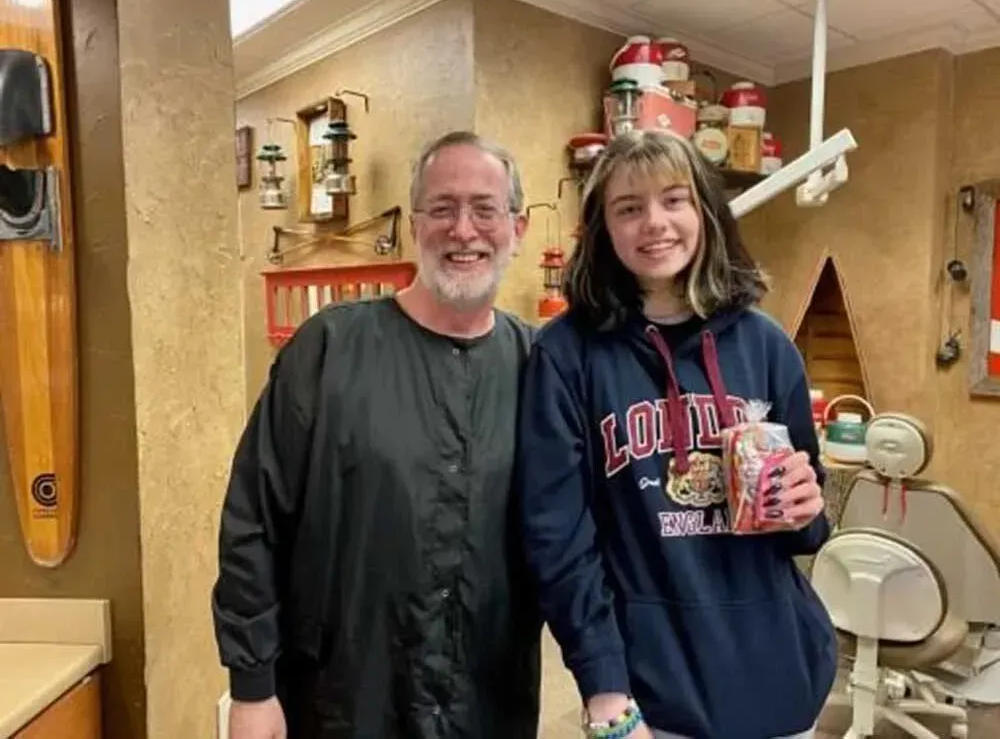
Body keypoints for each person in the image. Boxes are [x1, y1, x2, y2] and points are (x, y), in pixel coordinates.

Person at [211, 130, 541, 739]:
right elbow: (253, 520)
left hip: (489, 703)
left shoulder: (540, 367)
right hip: (343, 703)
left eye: (485, 209)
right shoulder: (329, 350)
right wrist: (251, 688)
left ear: (517, 229)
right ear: (416, 225)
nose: (463, 230)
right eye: (442, 208)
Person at [513, 128, 837, 739]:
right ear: (603, 229)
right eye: (628, 208)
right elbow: (557, 539)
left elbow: (807, 525)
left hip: (782, 672)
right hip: (652, 693)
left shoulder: (767, 345)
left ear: (705, 213)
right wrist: (603, 687)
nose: (654, 223)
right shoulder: (565, 355)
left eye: (674, 199)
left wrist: (807, 507)